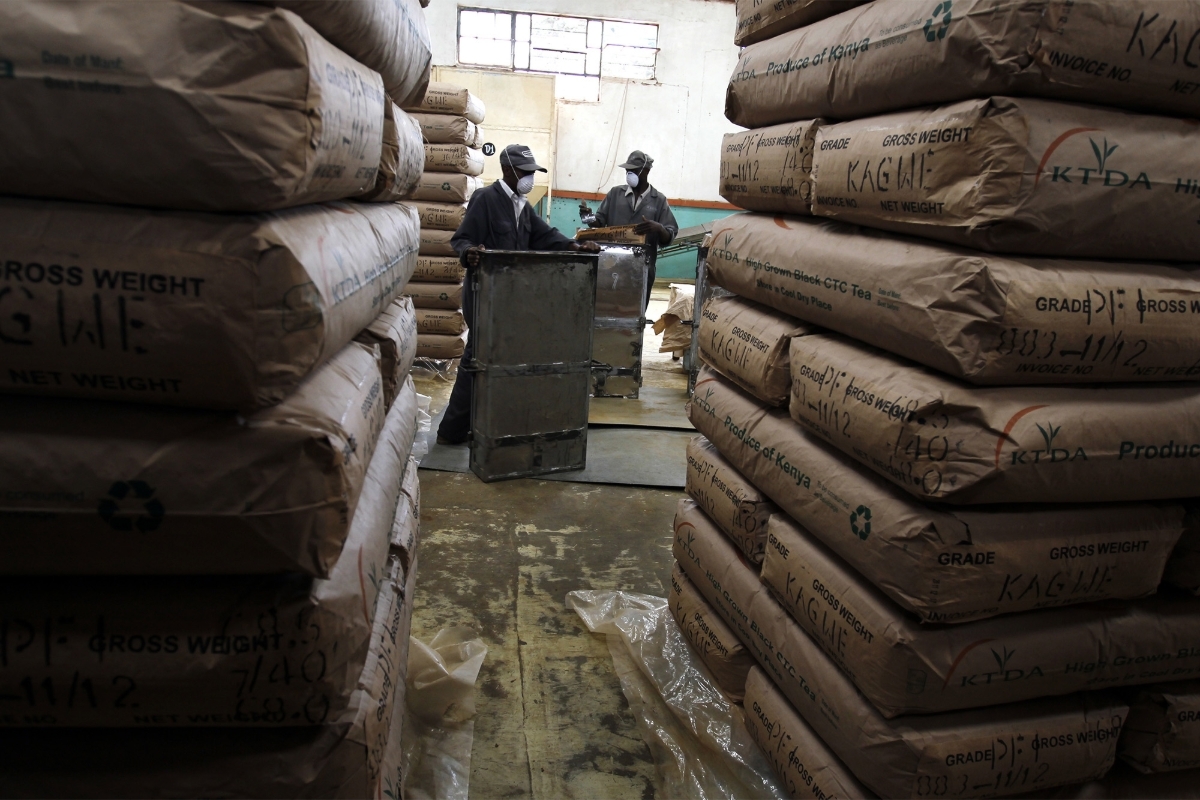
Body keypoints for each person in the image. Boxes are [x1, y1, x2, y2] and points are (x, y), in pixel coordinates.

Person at [436, 144, 601, 446]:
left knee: (500, 359)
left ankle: (490, 425)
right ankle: (451, 431)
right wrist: (469, 253)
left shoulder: (522, 205)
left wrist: (576, 247)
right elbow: (461, 239)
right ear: (509, 170)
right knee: (476, 358)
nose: (530, 178)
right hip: (485, 296)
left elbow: (545, 235)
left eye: (532, 173)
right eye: (526, 173)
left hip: (512, 299)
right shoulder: (485, 199)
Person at [579, 150, 678, 307]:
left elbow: (669, 235)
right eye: (627, 170)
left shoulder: (658, 200)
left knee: (635, 314)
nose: (629, 174)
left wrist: (658, 228)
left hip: (641, 268)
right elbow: (599, 222)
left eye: (634, 170)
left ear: (646, 170)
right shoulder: (615, 194)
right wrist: (588, 217)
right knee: (606, 308)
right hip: (611, 265)